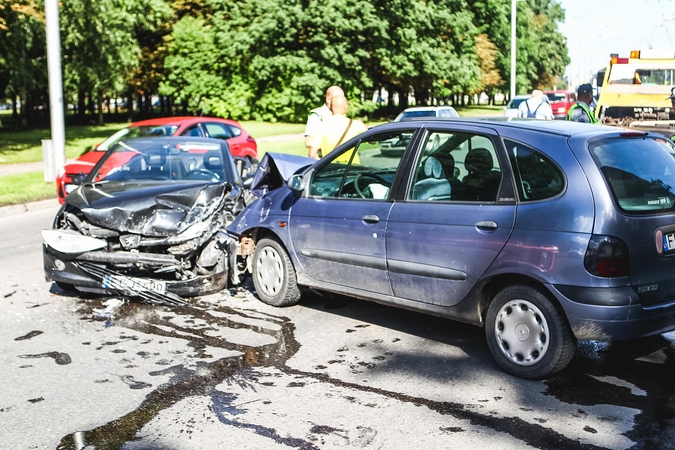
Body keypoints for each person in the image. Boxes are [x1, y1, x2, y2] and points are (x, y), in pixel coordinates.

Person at [308, 95, 367, 162]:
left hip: (332, 170)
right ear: (346, 107)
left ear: (331, 107)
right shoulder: (356, 124)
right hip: (352, 169)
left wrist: (324, 165)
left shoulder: (321, 126)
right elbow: (373, 141)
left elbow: (312, 154)